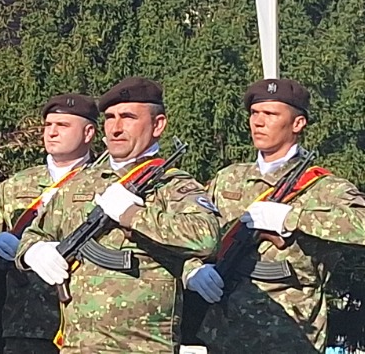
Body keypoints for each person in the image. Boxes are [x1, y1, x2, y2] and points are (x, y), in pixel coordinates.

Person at [183, 78, 365, 352]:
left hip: (290, 334)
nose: (258, 122)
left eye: (271, 114)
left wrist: (292, 217)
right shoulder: (229, 179)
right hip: (225, 333)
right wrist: (193, 269)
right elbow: (196, 233)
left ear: (298, 123)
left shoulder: (321, 187)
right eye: (255, 113)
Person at [18, 77, 219, 352]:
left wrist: (133, 215)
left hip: (142, 345)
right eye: (110, 117)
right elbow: (36, 233)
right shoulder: (80, 183)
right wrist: (34, 251)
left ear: (158, 125)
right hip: (78, 345)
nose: (116, 127)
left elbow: (205, 237)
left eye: (128, 117)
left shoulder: (174, 186)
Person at [0, 93, 97, 354]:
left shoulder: (106, 183)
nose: (52, 132)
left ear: (88, 132)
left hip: (88, 324)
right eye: (48, 125)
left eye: (63, 125)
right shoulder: (16, 185)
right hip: (23, 322)